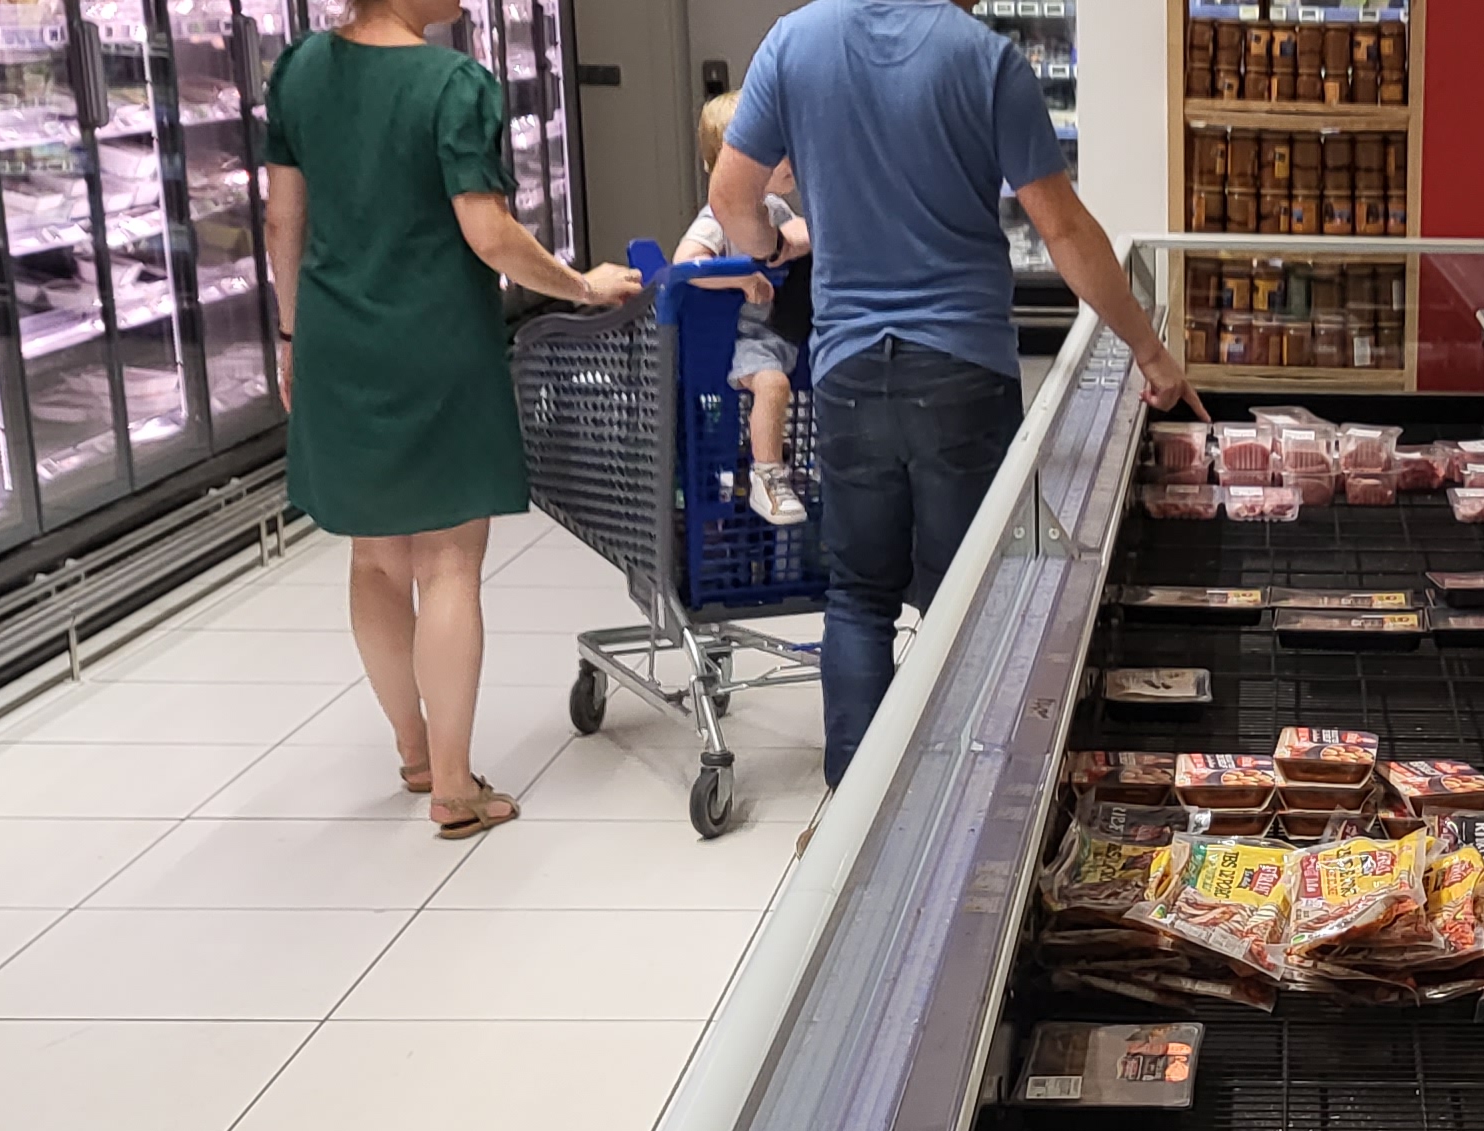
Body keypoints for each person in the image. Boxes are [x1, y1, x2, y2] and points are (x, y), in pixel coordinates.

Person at [706, 0, 1201, 788]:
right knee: (964, 597)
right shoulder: (983, 58)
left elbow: (732, 196)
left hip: (848, 369)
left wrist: (767, 249)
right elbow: (1065, 229)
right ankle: (954, 800)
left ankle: (852, 807)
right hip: (963, 369)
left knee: (858, 595)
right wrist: (1149, 351)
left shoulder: (794, 41)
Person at [264, 0, 640, 838]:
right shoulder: (454, 84)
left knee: (374, 559)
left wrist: (291, 334)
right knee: (448, 561)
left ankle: (413, 750)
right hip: (434, 341)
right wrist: (582, 285)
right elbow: (488, 233)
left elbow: (282, 219)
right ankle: (456, 784)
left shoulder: (299, 70)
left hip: (335, 339)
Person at [677, 94, 813, 527]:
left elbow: (800, 237)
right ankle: (767, 477)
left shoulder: (776, 209)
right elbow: (686, 264)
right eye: (774, 149)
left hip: (780, 333)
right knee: (772, 384)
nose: (789, 157)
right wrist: (740, 279)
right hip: (737, 340)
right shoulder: (717, 219)